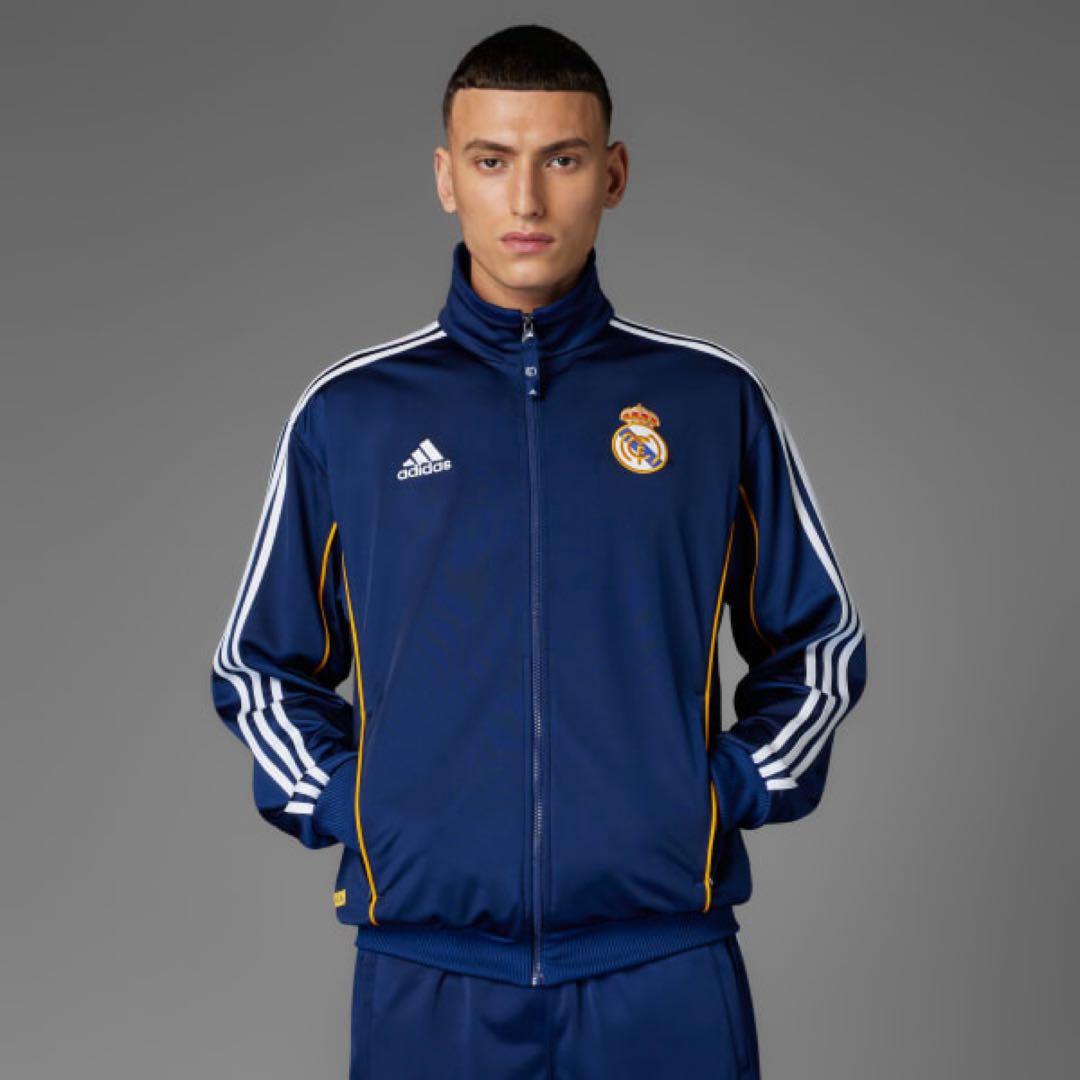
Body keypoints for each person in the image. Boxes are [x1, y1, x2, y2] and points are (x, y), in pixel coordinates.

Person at [209, 22, 868, 1080]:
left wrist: (719, 793)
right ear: (444, 178)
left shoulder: (711, 403)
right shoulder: (352, 416)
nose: (525, 200)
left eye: (561, 159)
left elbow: (820, 642)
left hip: (663, 966)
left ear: (613, 175)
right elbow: (257, 668)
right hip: (428, 974)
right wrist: (360, 810)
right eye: (490, 161)